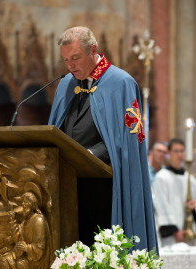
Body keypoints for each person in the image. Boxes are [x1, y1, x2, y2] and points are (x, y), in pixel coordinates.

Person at [49, 26, 158, 251]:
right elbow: (56, 130)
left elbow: (126, 137)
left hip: (107, 187)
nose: (70, 66)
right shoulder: (66, 85)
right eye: (65, 59)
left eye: (75, 58)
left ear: (93, 50)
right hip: (70, 186)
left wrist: (87, 156)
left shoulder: (120, 83)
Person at [152, 138, 196, 247]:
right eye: (176, 151)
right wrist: (174, 230)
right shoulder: (162, 177)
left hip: (189, 232)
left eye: (182, 151)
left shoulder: (189, 178)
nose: (180, 154)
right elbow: (160, 204)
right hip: (172, 236)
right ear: (169, 153)